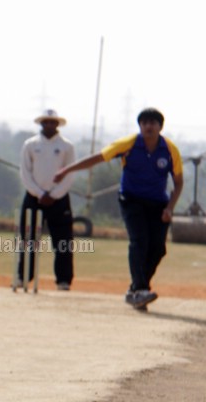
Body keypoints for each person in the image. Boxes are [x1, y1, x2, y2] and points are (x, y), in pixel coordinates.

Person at [53, 107, 184, 310]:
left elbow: (178, 182)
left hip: (158, 204)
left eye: (153, 123)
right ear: (140, 126)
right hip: (131, 200)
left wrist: (170, 208)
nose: (149, 126)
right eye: (145, 122)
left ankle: (135, 290)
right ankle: (140, 289)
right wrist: (66, 170)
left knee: (158, 249)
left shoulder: (169, 149)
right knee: (139, 241)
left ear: (160, 127)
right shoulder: (129, 144)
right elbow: (97, 158)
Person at [17, 109, 76, 290]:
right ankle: (23, 277)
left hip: (58, 198)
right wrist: (40, 193)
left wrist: (54, 194)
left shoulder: (67, 146)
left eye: (53, 122)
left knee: (63, 242)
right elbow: (25, 173)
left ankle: (63, 280)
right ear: (41, 123)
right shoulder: (30, 144)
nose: (49, 125)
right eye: (46, 122)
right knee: (29, 240)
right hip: (34, 198)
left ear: (58, 124)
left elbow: (70, 174)